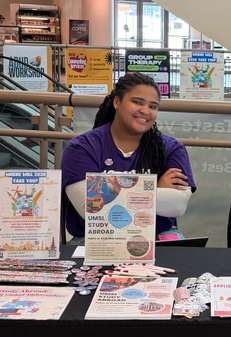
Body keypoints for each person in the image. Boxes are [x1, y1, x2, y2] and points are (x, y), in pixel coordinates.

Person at [61, 72, 196, 239]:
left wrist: (109, 194)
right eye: (137, 102)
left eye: (153, 106)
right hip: (96, 240)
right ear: (117, 102)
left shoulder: (171, 148)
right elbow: (90, 210)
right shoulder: (82, 148)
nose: (145, 111)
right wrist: (156, 189)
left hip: (157, 238)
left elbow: (178, 205)